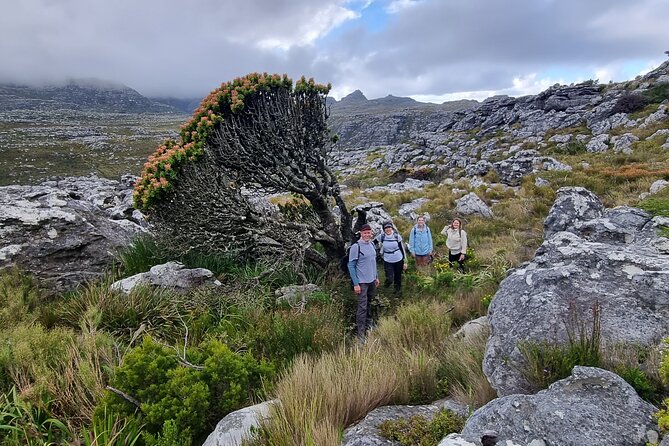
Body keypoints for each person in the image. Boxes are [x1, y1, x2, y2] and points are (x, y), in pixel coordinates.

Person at [348, 223, 380, 340]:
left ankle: (369, 323)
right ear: (361, 233)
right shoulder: (356, 247)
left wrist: (376, 277)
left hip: (372, 280)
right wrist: (356, 283)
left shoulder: (371, 244)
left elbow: (373, 262)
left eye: (369, 232)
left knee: (369, 303)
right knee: (362, 307)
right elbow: (351, 266)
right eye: (365, 233)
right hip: (362, 282)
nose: (367, 234)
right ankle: (361, 334)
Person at [375, 221, 408, 294]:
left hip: (398, 259)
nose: (388, 229)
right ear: (384, 229)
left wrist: (405, 261)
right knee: (390, 278)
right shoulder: (382, 236)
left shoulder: (397, 236)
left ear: (392, 228)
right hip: (387, 260)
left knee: (398, 277)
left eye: (389, 227)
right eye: (386, 228)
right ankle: (385, 287)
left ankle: (397, 293)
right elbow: (373, 243)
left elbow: (402, 249)